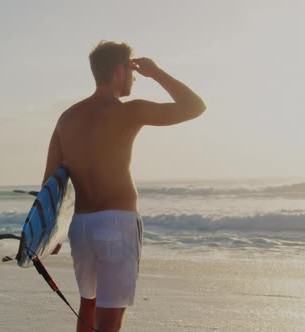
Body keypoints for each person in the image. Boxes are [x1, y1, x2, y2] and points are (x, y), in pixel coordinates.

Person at [41, 41, 206, 332]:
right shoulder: (130, 111)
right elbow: (195, 107)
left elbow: (49, 183)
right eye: (131, 71)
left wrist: (49, 233)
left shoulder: (66, 119)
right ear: (119, 71)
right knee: (110, 319)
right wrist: (156, 73)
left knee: (87, 309)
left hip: (80, 227)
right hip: (117, 223)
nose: (134, 79)